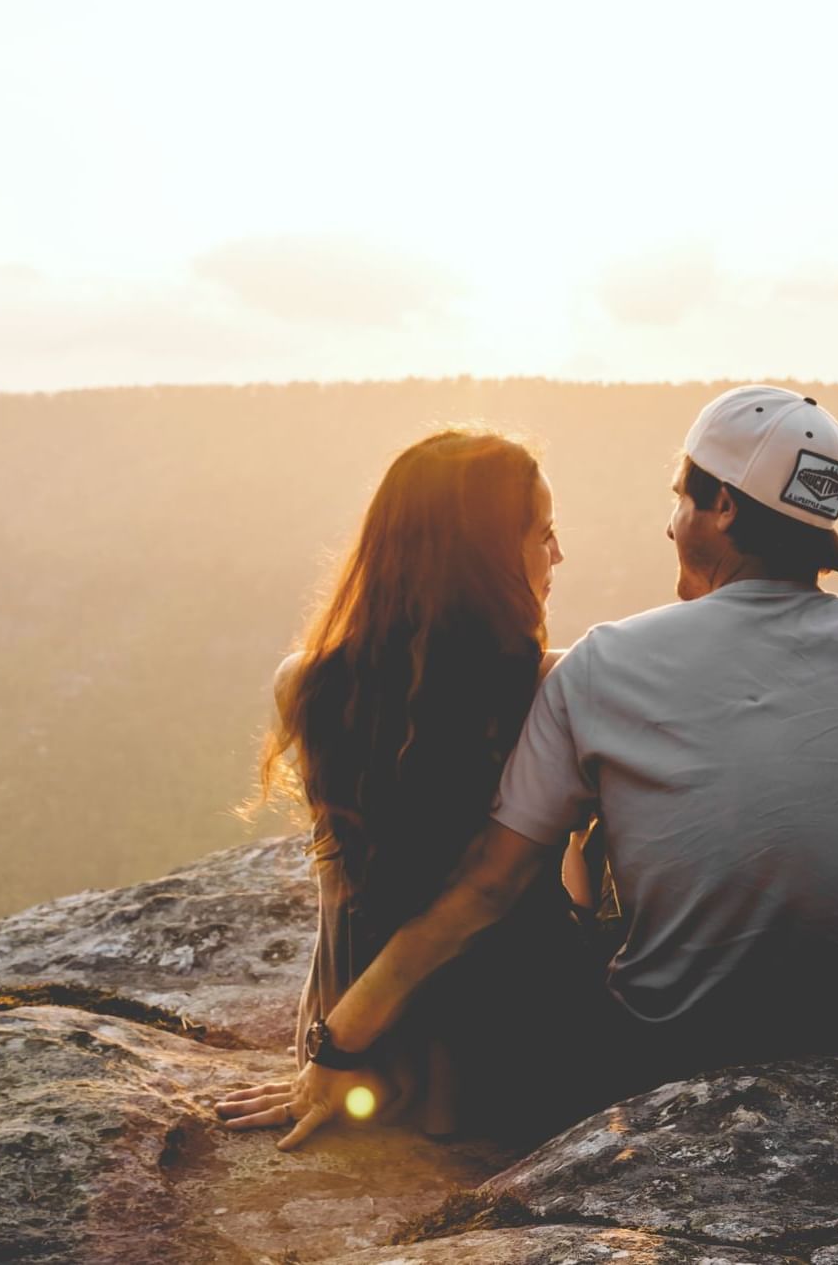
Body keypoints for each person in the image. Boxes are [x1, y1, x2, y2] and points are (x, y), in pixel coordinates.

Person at [224, 385, 838, 1151]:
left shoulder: (601, 668)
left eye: (680, 498)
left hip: (666, 1055)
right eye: (544, 534)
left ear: (719, 504)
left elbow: (486, 887)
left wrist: (337, 1042)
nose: (666, 522)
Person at [219, 428, 599, 1142]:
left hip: (365, 1052)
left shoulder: (304, 683)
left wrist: (331, 1047)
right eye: (543, 533)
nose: (557, 555)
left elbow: (345, 895)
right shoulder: (554, 686)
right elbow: (491, 892)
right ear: (485, 560)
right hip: (520, 1050)